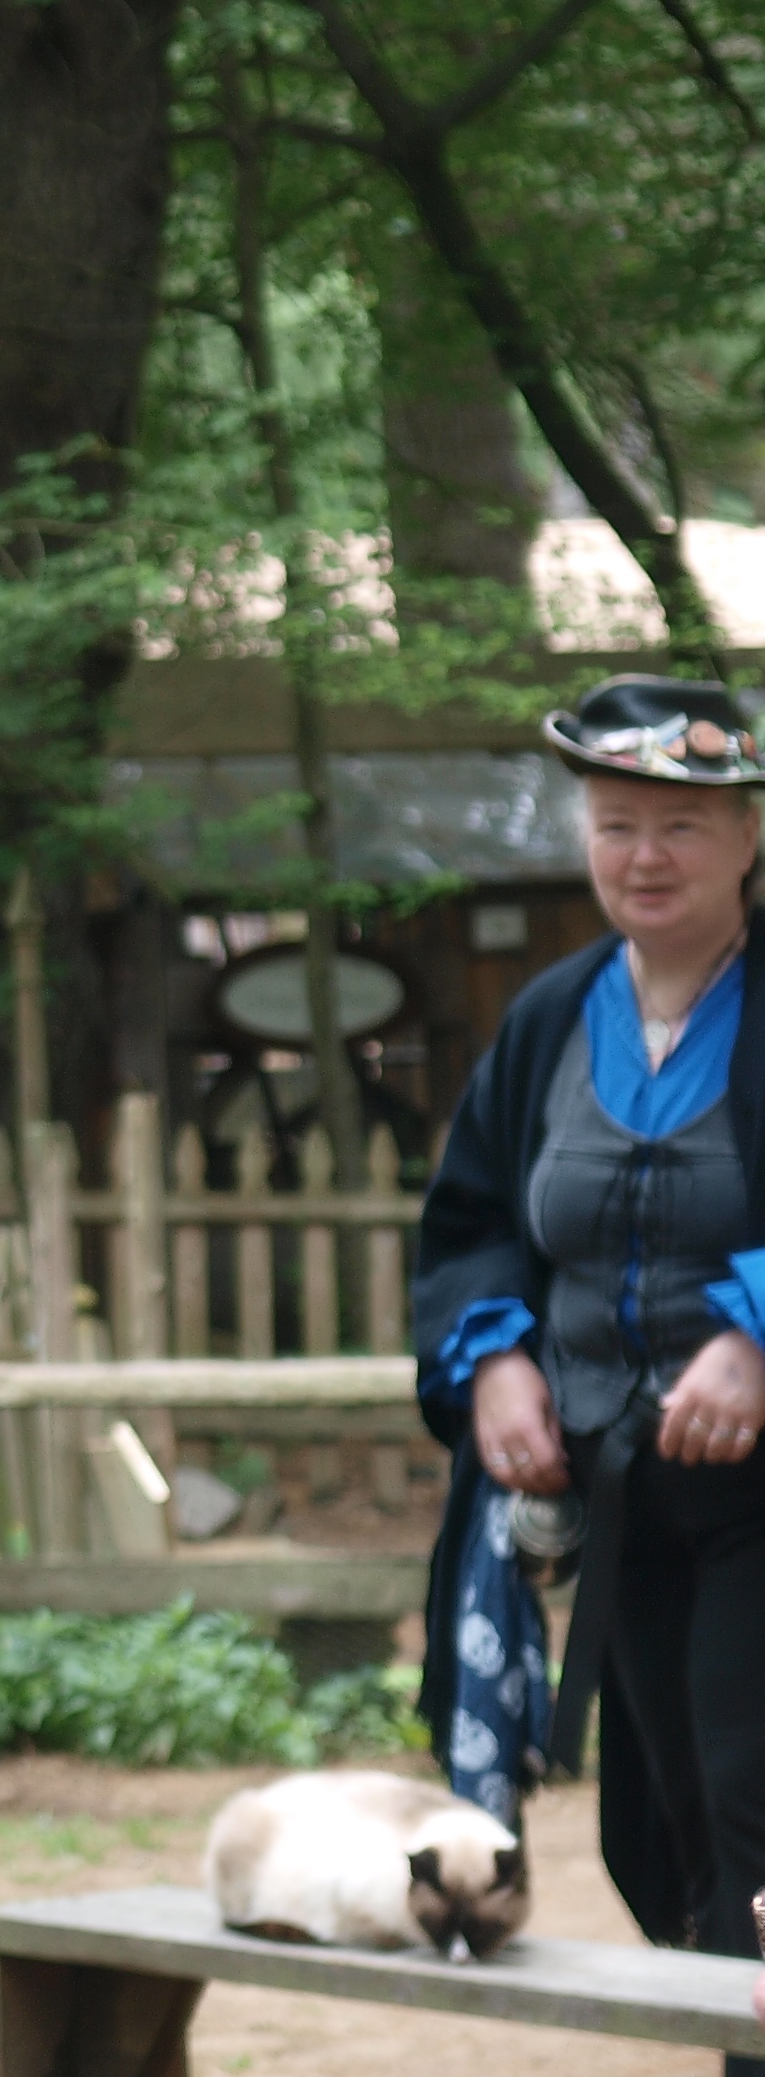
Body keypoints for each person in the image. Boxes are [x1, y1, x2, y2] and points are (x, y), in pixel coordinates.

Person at [414, 674, 765, 2038]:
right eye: (617, 826)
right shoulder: (550, 1017)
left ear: (749, 836)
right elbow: (474, 1223)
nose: (645, 856)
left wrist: (755, 1333)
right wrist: (496, 1362)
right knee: (655, 1834)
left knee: (749, 1815)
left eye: (681, 827)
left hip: (758, 1508)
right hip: (622, 1507)